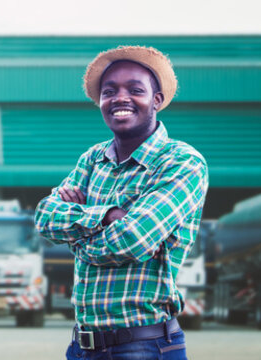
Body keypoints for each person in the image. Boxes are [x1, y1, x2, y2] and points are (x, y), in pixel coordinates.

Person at [34, 46, 208, 359]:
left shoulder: (182, 161)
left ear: (156, 100)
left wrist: (77, 236)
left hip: (144, 345)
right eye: (109, 91)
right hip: (82, 346)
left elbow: (133, 240)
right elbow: (44, 217)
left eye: (135, 89)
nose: (120, 98)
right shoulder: (92, 159)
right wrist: (108, 216)